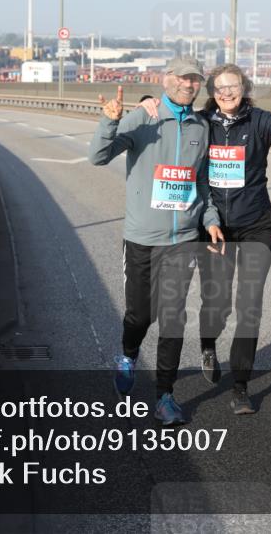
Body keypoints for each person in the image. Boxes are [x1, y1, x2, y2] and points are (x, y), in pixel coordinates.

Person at [140, 56, 271, 414]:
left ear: (244, 90)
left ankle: (240, 387)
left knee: (249, 306)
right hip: (214, 227)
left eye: (233, 87)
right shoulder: (201, 123)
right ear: (212, 93)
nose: (226, 93)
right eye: (219, 88)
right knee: (216, 305)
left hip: (256, 226)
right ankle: (209, 344)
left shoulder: (260, 121)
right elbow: (171, 115)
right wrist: (147, 101)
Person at [88, 56, 225, 426]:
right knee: (140, 315)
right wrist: (110, 120)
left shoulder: (201, 126)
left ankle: (165, 395)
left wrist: (209, 220)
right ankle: (128, 355)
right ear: (166, 80)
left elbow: (200, 182)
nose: (189, 85)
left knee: (173, 317)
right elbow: (98, 157)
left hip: (182, 238)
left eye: (195, 80)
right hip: (142, 237)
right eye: (182, 78)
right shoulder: (143, 117)